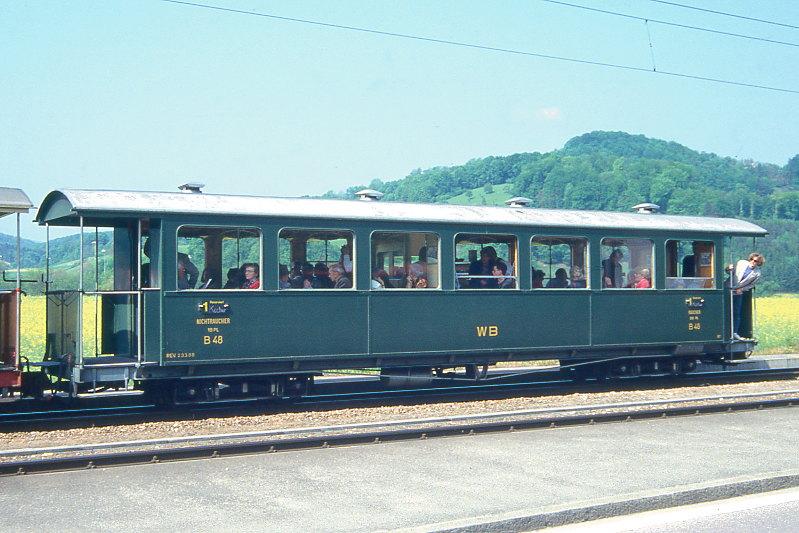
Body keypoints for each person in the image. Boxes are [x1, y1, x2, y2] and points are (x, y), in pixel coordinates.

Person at [731, 252, 765, 340]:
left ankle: (734, 332)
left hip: (738, 292)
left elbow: (751, 285)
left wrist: (741, 289)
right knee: (726, 311)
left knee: (736, 312)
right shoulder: (741, 263)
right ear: (750, 259)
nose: (753, 262)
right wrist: (728, 268)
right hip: (728, 288)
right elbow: (730, 271)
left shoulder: (757, 273)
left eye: (756, 261)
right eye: (752, 260)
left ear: (759, 263)